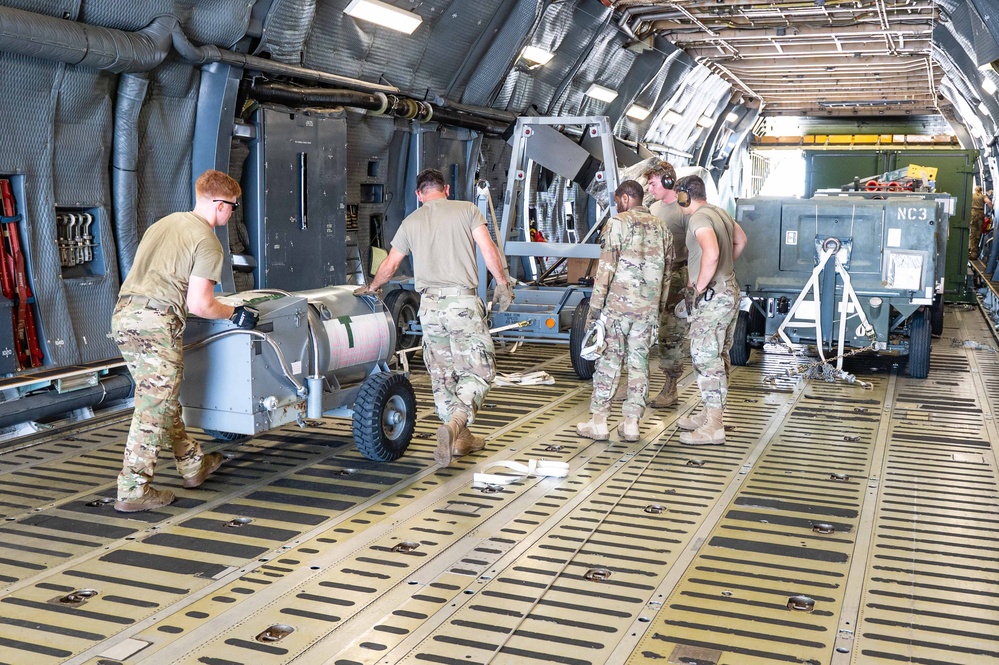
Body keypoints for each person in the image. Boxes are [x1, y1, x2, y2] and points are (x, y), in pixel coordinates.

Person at [112, 169, 259, 512]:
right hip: (156, 323)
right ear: (220, 204)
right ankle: (133, 489)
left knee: (161, 400)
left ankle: (192, 464)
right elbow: (200, 304)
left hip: (125, 317)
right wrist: (234, 313)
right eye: (233, 207)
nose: (232, 213)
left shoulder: (164, 224)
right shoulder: (207, 242)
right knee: (153, 408)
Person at [355, 168, 513, 466]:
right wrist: (502, 283)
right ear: (447, 189)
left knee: (443, 375)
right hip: (461, 304)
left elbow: (391, 263)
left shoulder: (411, 222)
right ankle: (455, 423)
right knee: (478, 371)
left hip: (428, 308)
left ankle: (460, 439)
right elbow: (488, 248)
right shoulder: (467, 210)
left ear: (419, 195)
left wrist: (372, 287)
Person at [576, 179, 672, 442]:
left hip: (617, 310)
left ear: (627, 198)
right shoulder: (662, 227)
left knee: (609, 363)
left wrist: (594, 312)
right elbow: (667, 276)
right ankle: (631, 424)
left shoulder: (618, 223)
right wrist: (658, 310)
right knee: (639, 364)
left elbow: (605, 271)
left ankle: (599, 423)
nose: (617, 205)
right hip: (647, 311)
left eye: (618, 201)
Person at [673, 175, 748, 445]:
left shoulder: (699, 218)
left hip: (713, 296)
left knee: (705, 357)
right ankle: (711, 413)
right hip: (729, 289)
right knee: (717, 355)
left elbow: (712, 253)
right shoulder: (720, 212)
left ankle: (714, 426)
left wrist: (700, 287)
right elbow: (741, 240)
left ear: (683, 196)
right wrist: (723, 274)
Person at [643, 160, 689, 408]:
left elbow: (697, 248)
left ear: (668, 181)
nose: (649, 189)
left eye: (652, 183)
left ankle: (670, 388)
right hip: (655, 277)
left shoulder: (684, 211)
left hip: (677, 278)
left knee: (670, 333)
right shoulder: (653, 209)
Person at [970, 186, 992, 260]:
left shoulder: (972, 195)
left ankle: (972, 252)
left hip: (973, 214)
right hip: (980, 214)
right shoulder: (983, 196)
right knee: (978, 233)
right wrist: (992, 209)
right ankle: (976, 252)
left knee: (972, 233)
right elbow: (988, 202)